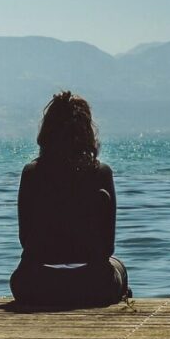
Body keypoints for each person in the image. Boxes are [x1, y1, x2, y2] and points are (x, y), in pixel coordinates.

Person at [10, 91, 130, 306]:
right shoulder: (101, 173)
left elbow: (24, 240)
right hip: (93, 284)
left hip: (35, 284)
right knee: (118, 266)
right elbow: (108, 248)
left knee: (20, 276)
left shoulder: (31, 173)